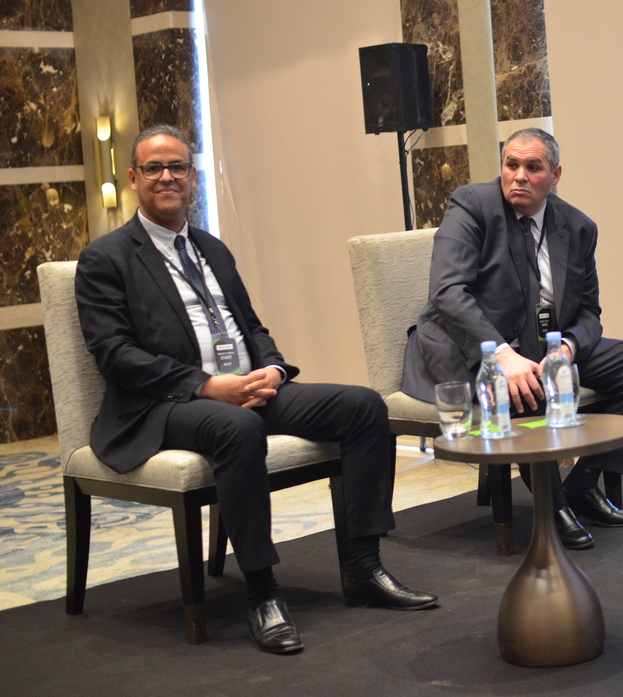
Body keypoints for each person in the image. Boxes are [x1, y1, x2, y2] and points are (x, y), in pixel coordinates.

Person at [75, 125, 438, 656]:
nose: (167, 177)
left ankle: (363, 567)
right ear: (133, 178)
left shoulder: (212, 248)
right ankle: (263, 594)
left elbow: (251, 326)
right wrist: (204, 385)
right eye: (153, 168)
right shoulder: (106, 258)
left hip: (245, 390)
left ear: (192, 176)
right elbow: (115, 356)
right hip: (163, 406)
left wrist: (272, 369)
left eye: (177, 167)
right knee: (237, 427)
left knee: (363, 407)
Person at [401, 127, 623, 550]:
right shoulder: (472, 204)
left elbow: (589, 312)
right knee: (526, 387)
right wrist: (502, 355)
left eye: (533, 167)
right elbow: (448, 293)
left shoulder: (578, 227)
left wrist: (567, 348)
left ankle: (583, 483)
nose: (519, 176)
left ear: (555, 174)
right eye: (511, 165)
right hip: (468, 345)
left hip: (543, 345)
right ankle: (554, 506)